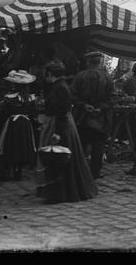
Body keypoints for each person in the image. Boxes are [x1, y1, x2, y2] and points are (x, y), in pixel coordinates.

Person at [35, 63, 97, 204]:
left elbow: (62, 112)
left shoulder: (60, 88)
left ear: (50, 74)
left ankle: (62, 192)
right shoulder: (60, 86)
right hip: (59, 123)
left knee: (59, 156)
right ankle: (58, 192)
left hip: (60, 125)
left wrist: (58, 133)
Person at [71, 51, 113, 179]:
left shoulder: (80, 76)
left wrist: (84, 105)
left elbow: (72, 95)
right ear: (100, 62)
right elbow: (112, 98)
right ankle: (95, 172)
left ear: (88, 62)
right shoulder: (107, 77)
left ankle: (79, 171)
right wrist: (101, 108)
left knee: (80, 145)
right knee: (98, 147)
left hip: (82, 117)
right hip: (100, 119)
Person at [0, 70, 38, 181]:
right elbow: (34, 112)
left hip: (13, 123)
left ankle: (11, 168)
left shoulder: (9, 97)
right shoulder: (30, 98)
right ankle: (19, 169)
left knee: (12, 144)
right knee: (23, 144)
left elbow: (4, 112)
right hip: (25, 123)